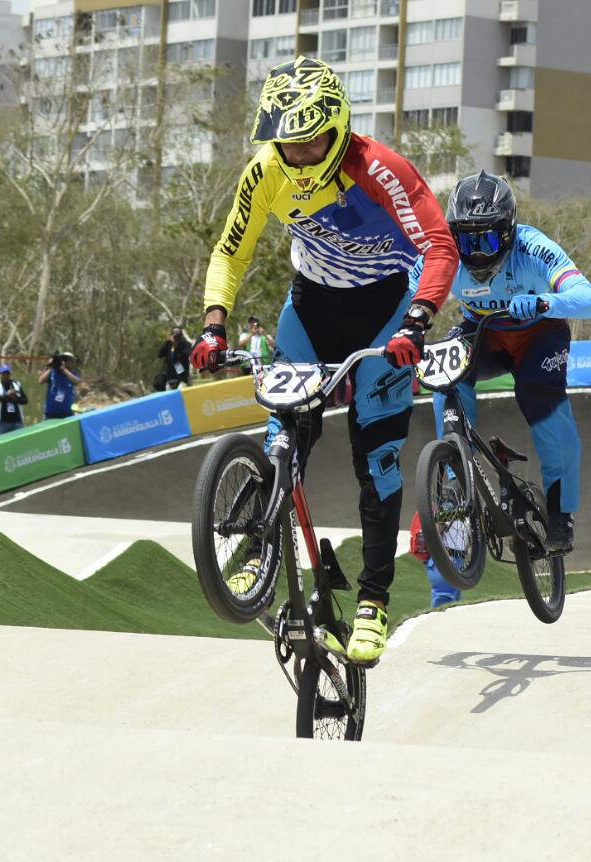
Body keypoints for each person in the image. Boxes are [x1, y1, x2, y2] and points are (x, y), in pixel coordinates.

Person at [189, 57, 457, 665]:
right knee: (285, 435)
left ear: (337, 130)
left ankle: (374, 602)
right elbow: (231, 252)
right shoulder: (265, 170)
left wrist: (418, 321)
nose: (299, 154)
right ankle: (260, 547)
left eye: (311, 141)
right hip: (308, 310)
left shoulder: (380, 169)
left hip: (385, 316)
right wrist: (213, 322)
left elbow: (440, 246)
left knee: (379, 459)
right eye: (288, 142)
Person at [417, 170, 591, 552]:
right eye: (466, 239)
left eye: (485, 238)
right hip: (484, 332)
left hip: (539, 333)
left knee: (538, 394)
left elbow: (590, 299)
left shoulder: (532, 247)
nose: (477, 251)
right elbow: (401, 298)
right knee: (444, 374)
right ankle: (454, 482)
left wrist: (545, 301)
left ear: (508, 231)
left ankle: (560, 512)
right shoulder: (444, 253)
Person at [409, 511, 462, 608]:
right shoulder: (445, 503)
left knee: (452, 603)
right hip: (444, 558)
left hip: (452, 557)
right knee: (444, 600)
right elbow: (436, 528)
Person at [0, 363, 27, 435]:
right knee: (1, 443)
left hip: (17, 421)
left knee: (18, 443)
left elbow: (25, 400)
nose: (5, 375)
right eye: (3, 373)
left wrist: (16, 398)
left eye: (7, 373)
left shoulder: (16, 384)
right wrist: (5, 395)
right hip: (0, 422)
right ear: (0, 374)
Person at [38, 351, 81, 420]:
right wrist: (51, 366)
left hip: (67, 413)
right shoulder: (52, 372)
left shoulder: (73, 373)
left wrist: (63, 369)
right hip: (50, 413)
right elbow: (40, 381)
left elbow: (76, 381)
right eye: (64, 359)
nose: (66, 361)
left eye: (68, 360)